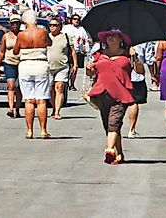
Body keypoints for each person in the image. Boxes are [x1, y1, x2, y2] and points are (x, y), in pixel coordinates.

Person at [86, 29, 134, 164]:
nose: (110, 38)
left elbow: (139, 70)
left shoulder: (127, 54)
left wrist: (135, 58)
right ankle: (120, 154)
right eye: (108, 36)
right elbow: (91, 74)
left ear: (121, 39)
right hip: (102, 93)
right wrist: (89, 68)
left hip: (120, 95)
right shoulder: (99, 54)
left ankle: (110, 150)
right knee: (110, 126)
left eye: (114, 36)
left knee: (114, 123)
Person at [13, 10, 51, 139]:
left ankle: (29, 131)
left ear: (24, 22)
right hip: (41, 64)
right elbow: (49, 43)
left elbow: (15, 51)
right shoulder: (43, 32)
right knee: (41, 100)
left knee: (29, 99)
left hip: (26, 65)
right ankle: (43, 130)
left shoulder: (21, 35)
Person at [47, 17, 76, 119]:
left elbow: (72, 51)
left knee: (59, 88)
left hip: (62, 66)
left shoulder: (66, 37)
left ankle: (57, 112)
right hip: (48, 67)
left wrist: (75, 64)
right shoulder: (46, 36)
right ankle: (54, 107)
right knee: (50, 90)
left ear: (60, 26)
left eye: (55, 25)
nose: (52, 27)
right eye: (50, 25)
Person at [0, 13, 23, 118]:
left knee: (18, 88)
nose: (15, 25)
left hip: (21, 63)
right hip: (9, 63)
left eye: (17, 23)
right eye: (13, 23)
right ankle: (11, 108)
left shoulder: (23, 35)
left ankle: (18, 109)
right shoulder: (6, 36)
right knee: (11, 86)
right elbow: (1, 51)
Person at [127, 41, 153, 138]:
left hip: (123, 76)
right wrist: (153, 75)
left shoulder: (117, 37)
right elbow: (149, 59)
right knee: (134, 102)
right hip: (136, 77)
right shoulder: (144, 41)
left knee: (119, 103)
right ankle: (131, 130)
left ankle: (116, 128)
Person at [64, 14, 90, 91]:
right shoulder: (67, 28)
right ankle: (66, 82)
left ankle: (72, 84)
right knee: (69, 67)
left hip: (78, 51)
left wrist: (85, 48)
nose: (76, 20)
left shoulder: (81, 29)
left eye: (78, 19)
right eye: (74, 19)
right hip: (68, 50)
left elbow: (85, 40)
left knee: (75, 68)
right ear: (71, 20)